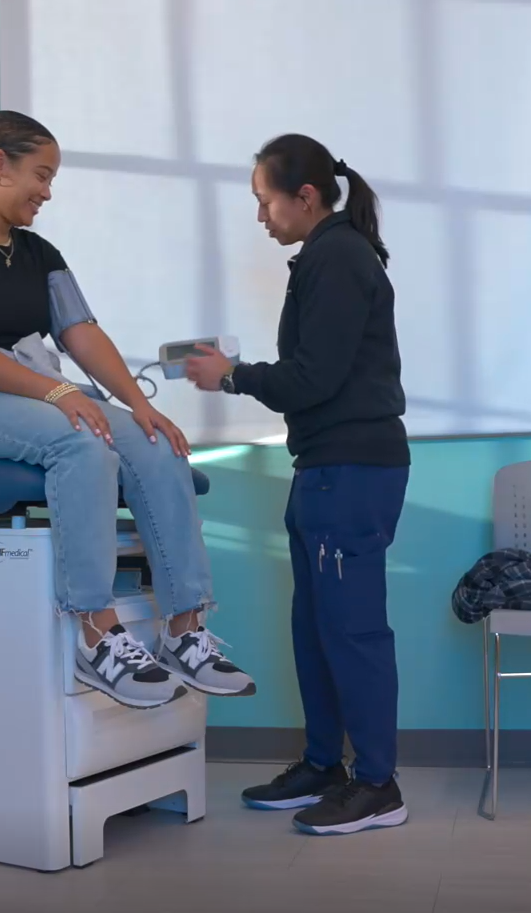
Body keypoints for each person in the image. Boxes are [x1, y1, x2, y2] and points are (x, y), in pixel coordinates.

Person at [0, 109, 255, 710]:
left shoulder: (40, 253)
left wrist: (141, 407)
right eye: (42, 174)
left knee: (153, 442)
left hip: (32, 389)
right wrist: (61, 393)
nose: (47, 191)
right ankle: (95, 633)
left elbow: (81, 333)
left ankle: (185, 631)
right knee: (81, 443)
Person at [185, 134, 409, 835]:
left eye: (264, 200)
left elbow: (313, 377)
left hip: (351, 468)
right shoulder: (323, 256)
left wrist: (231, 375)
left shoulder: (339, 257)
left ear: (304, 195)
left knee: (353, 630)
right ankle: (324, 764)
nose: (260, 216)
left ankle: (379, 784)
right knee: (315, 627)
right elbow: (317, 370)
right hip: (323, 468)